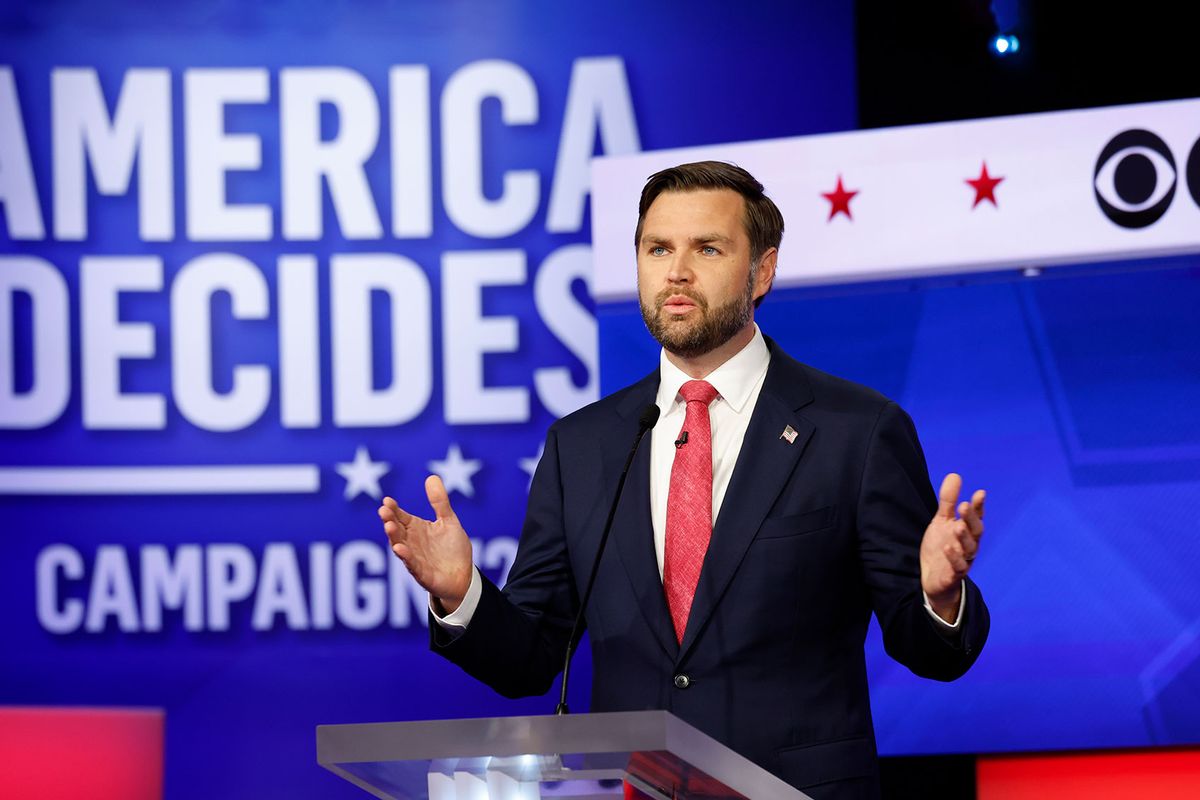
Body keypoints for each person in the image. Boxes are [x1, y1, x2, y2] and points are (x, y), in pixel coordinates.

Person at [379, 161, 989, 799]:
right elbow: (531, 660)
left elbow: (935, 653)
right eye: (657, 248)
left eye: (708, 248)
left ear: (763, 271)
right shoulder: (582, 446)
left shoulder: (855, 431)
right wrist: (461, 596)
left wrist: (940, 599)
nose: (676, 270)